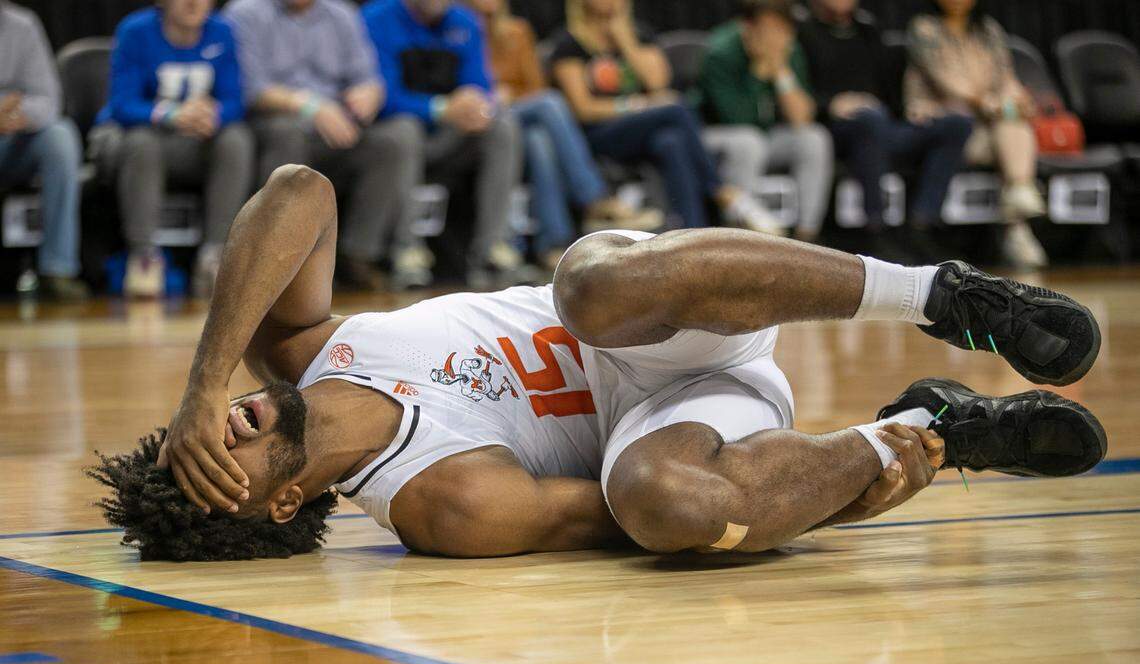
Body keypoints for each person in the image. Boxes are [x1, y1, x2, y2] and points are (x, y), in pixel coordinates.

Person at [88, 164, 1106, 561]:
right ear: (276, 506)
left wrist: (202, 379)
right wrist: (839, 472)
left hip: (671, 303)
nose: (222, 429)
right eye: (215, 457)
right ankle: (937, 427)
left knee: (593, 288)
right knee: (664, 507)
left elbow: (299, 189)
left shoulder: (301, 350)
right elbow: (643, 518)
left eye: (201, 432)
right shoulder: (445, 506)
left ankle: (944, 296)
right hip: (698, 408)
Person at [224, 0, 418, 291]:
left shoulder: (343, 15)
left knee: (395, 138)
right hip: (274, 120)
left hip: (337, 123)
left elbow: (369, 78)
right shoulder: (244, 13)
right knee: (286, 133)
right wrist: (309, 107)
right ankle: (280, 259)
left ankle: (359, 255)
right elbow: (250, 88)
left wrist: (369, 94)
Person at [549, 0, 779, 234]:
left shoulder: (640, 35)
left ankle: (692, 236)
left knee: (671, 141)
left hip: (644, 129)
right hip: (599, 134)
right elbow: (583, 109)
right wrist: (635, 105)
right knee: (676, 108)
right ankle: (720, 190)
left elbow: (658, 83)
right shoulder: (570, 44)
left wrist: (626, 42)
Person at [466, 0, 663, 271]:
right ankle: (594, 198)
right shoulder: (458, 26)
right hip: (476, 117)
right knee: (550, 103)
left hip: (518, 116)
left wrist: (510, 95)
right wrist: (489, 94)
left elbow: (535, 85)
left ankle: (554, 245)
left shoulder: (517, 31)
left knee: (539, 140)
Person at [362, 0, 530, 289]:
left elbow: (479, 87)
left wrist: (476, 107)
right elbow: (380, 97)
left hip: (449, 135)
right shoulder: (376, 19)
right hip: (396, 136)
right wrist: (441, 108)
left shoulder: (464, 21)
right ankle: (407, 252)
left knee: (502, 126)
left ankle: (494, 248)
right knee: (405, 130)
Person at [93, 0, 255, 299]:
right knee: (142, 142)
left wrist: (212, 115)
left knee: (236, 139)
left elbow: (236, 100)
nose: (194, 3)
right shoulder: (135, 31)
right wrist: (172, 114)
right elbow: (122, 103)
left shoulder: (223, 31)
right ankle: (144, 258)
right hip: (139, 141)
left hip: (196, 141)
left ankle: (216, 256)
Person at [799, 0, 973, 260]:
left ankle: (922, 225)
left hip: (883, 123)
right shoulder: (803, 33)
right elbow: (798, 91)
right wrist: (830, 104)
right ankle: (876, 229)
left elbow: (889, 88)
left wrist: (912, 109)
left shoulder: (869, 30)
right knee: (870, 118)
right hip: (836, 128)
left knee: (956, 123)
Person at [905, 0, 1048, 267]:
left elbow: (1006, 76)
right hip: (945, 125)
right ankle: (1017, 219)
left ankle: (1018, 200)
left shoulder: (988, 30)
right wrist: (991, 103)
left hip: (989, 123)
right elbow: (946, 81)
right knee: (1007, 126)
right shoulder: (924, 29)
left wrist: (1018, 101)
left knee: (1014, 122)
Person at [698, 0, 834, 243]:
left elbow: (802, 118)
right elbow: (736, 118)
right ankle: (738, 240)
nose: (775, 37)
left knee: (814, 138)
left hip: (765, 136)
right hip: (714, 137)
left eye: (782, 30)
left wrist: (781, 71)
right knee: (749, 142)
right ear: (747, 27)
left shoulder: (788, 51)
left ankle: (808, 238)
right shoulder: (722, 51)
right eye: (768, 29)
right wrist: (757, 73)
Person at [0, 0, 87, 301]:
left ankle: (57, 269)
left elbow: (48, 100)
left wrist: (16, 113)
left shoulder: (22, 25)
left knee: (60, 136)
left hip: (12, 139)